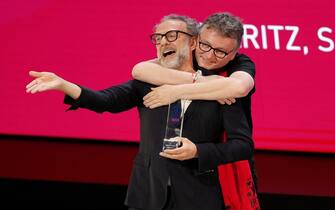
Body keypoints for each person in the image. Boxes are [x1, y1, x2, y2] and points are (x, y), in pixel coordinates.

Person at [26, 14, 253, 210]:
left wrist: (198, 151)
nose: (164, 42)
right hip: (148, 194)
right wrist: (63, 84)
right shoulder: (147, 80)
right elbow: (105, 100)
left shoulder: (219, 89)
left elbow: (243, 145)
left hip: (198, 196)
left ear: (193, 41)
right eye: (158, 38)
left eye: (172, 35)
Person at [132, 12, 258, 186]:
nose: (209, 55)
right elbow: (140, 70)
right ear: (195, 39)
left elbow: (239, 87)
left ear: (233, 54)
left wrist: (176, 92)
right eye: (205, 45)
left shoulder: (240, 63)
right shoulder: (188, 57)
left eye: (220, 52)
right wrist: (202, 80)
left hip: (223, 164)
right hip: (174, 174)